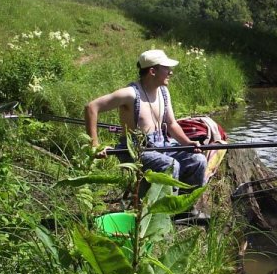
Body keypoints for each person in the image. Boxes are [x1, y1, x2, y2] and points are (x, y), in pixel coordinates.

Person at [84, 49, 207, 187]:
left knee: (198, 160)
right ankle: (159, 207)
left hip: (163, 146)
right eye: (166, 68)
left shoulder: (164, 91)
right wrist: (94, 145)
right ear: (152, 71)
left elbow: (171, 124)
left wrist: (188, 143)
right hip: (135, 150)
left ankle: (187, 206)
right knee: (170, 166)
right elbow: (91, 107)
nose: (170, 72)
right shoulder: (130, 94)